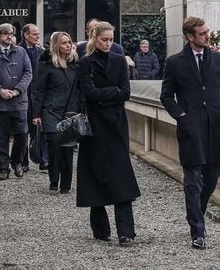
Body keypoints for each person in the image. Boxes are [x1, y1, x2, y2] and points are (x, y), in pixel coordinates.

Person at [160, 16, 220, 250]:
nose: (207, 36)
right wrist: (181, 115)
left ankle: (197, 214)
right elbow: (166, 95)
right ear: (189, 36)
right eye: (202, 33)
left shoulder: (219, 59)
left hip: (216, 126)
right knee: (192, 181)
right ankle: (197, 230)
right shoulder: (175, 62)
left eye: (207, 32)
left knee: (212, 177)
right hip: (191, 128)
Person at [76, 21, 140, 246]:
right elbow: (88, 92)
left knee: (121, 176)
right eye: (105, 39)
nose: (109, 43)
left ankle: (126, 232)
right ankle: (101, 229)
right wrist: (111, 93)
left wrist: (106, 94)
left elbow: (125, 92)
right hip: (95, 126)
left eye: (111, 39)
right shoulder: (84, 63)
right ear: (94, 38)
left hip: (115, 125)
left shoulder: (118, 61)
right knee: (96, 175)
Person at [0, 23, 32, 180]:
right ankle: (3, 168)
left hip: (19, 101)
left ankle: (16, 161)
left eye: (11, 33)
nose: (9, 36)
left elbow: (28, 73)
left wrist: (17, 90)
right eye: (5, 34)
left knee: (22, 134)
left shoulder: (21, 52)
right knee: (1, 137)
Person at [32, 32, 80, 194]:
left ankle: (65, 185)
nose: (67, 45)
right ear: (56, 45)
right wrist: (36, 114)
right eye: (64, 43)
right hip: (51, 111)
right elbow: (40, 91)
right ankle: (54, 182)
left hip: (70, 112)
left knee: (67, 149)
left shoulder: (76, 65)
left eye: (69, 42)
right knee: (54, 146)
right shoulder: (48, 66)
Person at [18, 23, 47, 172]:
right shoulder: (16, 51)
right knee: (23, 131)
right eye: (34, 34)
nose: (37, 37)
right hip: (23, 96)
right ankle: (23, 162)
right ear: (26, 35)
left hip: (38, 96)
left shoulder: (42, 52)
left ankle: (43, 160)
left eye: (38, 34)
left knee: (40, 130)